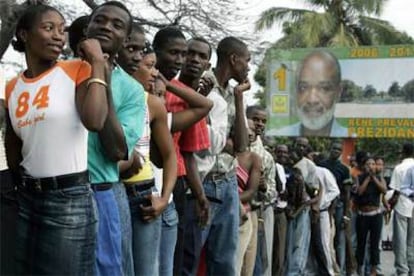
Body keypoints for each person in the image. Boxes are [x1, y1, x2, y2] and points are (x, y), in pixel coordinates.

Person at [4, 4, 109, 274]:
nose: (58, 36)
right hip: (27, 199)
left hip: (69, 202)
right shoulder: (13, 86)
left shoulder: (76, 69)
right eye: (48, 28)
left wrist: (97, 63)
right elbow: (15, 143)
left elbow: (95, 121)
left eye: (61, 30)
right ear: (24, 34)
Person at [85, 2, 146, 275]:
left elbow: (117, 150)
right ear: (89, 25)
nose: (106, 27)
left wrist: (103, 78)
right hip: (52, 196)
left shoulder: (131, 90)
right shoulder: (60, 71)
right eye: (100, 20)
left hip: (99, 195)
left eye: (117, 25)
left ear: (125, 39)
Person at [183, 36, 251, 275]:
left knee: (223, 261)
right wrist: (224, 141)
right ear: (233, 59)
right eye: (247, 61)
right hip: (202, 182)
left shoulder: (234, 94)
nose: (248, 67)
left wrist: (241, 97)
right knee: (189, 258)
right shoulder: (204, 84)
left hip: (228, 181)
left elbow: (241, 145)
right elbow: (200, 139)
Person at [116, 23, 177, 276]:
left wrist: (164, 198)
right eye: (149, 67)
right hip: (112, 189)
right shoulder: (104, 93)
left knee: (146, 270)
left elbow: (170, 155)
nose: (154, 74)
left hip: (143, 196)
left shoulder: (152, 104)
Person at [152, 27, 213, 276]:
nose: (180, 60)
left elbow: (188, 153)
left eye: (182, 54)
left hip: (174, 182)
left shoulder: (183, 95)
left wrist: (200, 196)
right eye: (175, 53)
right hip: (141, 178)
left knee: (171, 258)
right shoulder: (141, 84)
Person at [269, 50, 348, 137]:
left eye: (324, 88)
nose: (312, 99)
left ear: (338, 93)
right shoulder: (278, 135)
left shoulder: (350, 136)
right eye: (303, 88)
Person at [246, 105, 276, 276]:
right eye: (256, 119)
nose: (259, 124)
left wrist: (264, 187)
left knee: (257, 258)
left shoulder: (266, 157)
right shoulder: (235, 144)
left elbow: (272, 192)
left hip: (255, 212)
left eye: (263, 121)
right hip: (230, 206)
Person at [319, 141, 354, 275]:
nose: (336, 151)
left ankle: (340, 268)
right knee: (323, 236)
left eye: (339, 150)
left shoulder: (344, 169)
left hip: (338, 206)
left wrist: (346, 214)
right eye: (334, 148)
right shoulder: (321, 165)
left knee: (339, 238)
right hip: (324, 205)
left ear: (341, 152)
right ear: (330, 149)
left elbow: (347, 193)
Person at [235, 119, 262, 275]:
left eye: (252, 130)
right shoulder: (225, 149)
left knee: (241, 264)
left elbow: (251, 192)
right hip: (219, 213)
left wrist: (230, 203)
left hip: (242, 215)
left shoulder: (254, 158)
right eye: (246, 128)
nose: (249, 133)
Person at [354, 157, 387, 275]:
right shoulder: (359, 178)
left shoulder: (379, 177)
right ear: (364, 166)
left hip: (375, 215)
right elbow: (359, 192)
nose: (371, 166)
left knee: (374, 244)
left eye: (373, 164)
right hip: (363, 215)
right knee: (361, 243)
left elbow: (384, 190)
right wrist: (368, 178)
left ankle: (373, 271)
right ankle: (360, 269)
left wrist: (374, 178)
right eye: (368, 164)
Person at [389, 143, 414, 276]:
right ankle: (412, 269)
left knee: (400, 240)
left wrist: (389, 206)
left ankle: (402, 270)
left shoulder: (399, 168)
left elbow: (396, 191)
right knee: (412, 240)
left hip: (402, 206)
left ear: (403, 152)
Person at [272, 144, 289, 276]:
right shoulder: (272, 166)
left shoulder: (282, 168)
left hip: (281, 212)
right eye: (280, 152)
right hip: (272, 211)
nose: (282, 155)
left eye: (285, 152)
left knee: (280, 250)